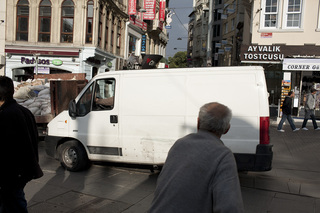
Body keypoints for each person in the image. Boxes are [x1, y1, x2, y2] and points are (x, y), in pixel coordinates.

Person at [149, 102, 244, 213]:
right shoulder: (223, 155)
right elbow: (230, 208)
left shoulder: (179, 144)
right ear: (227, 129)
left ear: (198, 123)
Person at [0, 76, 43, 213]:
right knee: (16, 202)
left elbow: (7, 150)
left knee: (12, 205)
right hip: (23, 172)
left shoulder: (5, 115)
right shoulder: (25, 111)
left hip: (10, 175)